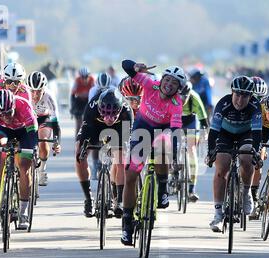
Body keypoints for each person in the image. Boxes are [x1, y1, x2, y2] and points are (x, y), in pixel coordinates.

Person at [120, 60, 186, 246]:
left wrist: (173, 154)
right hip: (141, 128)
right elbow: (125, 66)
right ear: (162, 79)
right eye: (167, 80)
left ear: (178, 88)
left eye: (174, 83)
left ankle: (163, 188)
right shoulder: (150, 84)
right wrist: (136, 67)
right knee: (131, 175)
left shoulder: (176, 103)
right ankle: (126, 224)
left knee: (163, 145)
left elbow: (175, 130)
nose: (169, 84)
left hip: (161, 132)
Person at [206, 76, 262, 233]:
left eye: (245, 96)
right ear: (232, 92)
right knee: (221, 168)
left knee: (247, 158)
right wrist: (211, 151)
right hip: (225, 134)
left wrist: (256, 152)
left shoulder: (255, 105)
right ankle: (218, 214)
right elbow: (214, 131)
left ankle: (246, 193)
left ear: (251, 96)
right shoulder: (223, 104)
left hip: (246, 134)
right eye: (237, 95)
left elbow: (257, 133)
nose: (240, 100)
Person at [0, 90, 38, 230]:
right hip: (5, 131)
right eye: (1, 114)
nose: (5, 116)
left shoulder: (23, 106)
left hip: (25, 132)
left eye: (8, 112)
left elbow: (32, 134)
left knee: (25, 167)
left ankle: (23, 212)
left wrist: (34, 150)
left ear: (13, 106)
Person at [75, 88, 133, 218]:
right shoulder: (92, 106)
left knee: (121, 159)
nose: (109, 118)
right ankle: (88, 199)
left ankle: (119, 201)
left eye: (113, 114)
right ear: (100, 108)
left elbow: (127, 138)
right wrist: (83, 151)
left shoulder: (126, 110)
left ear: (119, 109)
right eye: (106, 113)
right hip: (94, 126)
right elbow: (85, 132)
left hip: (119, 129)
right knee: (79, 155)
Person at [26, 71, 62, 186]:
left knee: (43, 139)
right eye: (32, 91)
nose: (35, 95)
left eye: (39, 91)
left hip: (43, 119)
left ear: (44, 89)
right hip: (28, 119)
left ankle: (42, 171)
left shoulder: (49, 97)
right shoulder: (23, 94)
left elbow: (55, 123)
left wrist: (57, 142)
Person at [179, 81, 209, 202]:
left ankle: (191, 188)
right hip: (175, 119)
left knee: (191, 150)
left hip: (190, 121)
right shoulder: (172, 98)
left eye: (184, 97)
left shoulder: (194, 98)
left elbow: (203, 119)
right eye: (179, 96)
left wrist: (205, 133)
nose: (182, 100)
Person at [70, 66, 95, 135]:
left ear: (89, 76)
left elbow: (95, 93)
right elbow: (72, 95)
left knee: (90, 120)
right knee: (79, 122)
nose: (84, 79)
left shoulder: (92, 80)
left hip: (88, 100)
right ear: (80, 77)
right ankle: (77, 138)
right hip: (79, 101)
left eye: (86, 77)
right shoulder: (77, 81)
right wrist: (72, 108)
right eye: (82, 77)